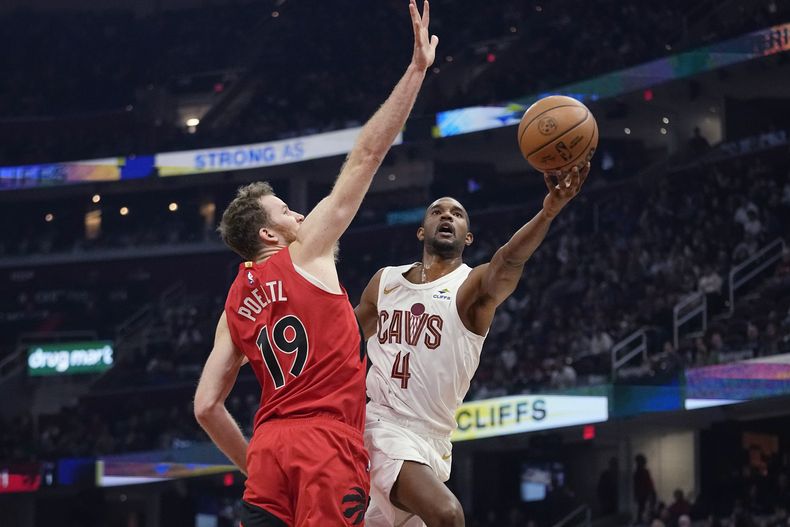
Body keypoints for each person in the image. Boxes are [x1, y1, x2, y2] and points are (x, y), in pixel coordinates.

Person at [193, 2, 438, 525]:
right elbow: (367, 154)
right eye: (286, 210)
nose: (300, 213)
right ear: (268, 233)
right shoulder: (306, 251)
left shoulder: (233, 306)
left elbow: (206, 407)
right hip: (325, 443)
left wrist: (252, 461)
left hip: (270, 451)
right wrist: (415, 71)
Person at [355, 163, 590, 526]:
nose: (447, 216)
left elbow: (509, 259)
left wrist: (549, 211)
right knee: (448, 515)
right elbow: (342, 339)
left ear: (468, 238)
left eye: (457, 214)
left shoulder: (471, 288)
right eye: (437, 211)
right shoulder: (384, 281)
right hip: (382, 423)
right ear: (422, 231)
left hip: (433, 439)